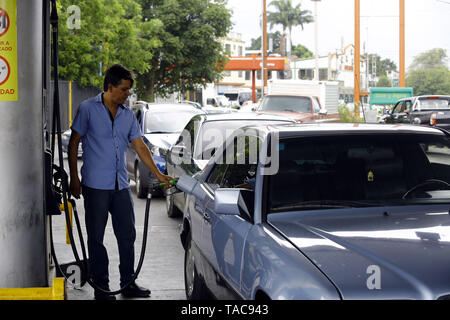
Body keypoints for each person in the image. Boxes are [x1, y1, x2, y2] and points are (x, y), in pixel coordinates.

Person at [68, 64, 173, 300]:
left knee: (127, 236)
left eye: (129, 90)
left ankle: (128, 283)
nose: (128, 95)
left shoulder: (127, 114)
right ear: (110, 87)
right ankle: (102, 288)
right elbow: (74, 142)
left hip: (121, 186)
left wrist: (158, 173)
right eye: (124, 90)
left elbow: (139, 146)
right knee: (96, 238)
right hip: (95, 185)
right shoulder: (87, 109)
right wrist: (74, 177)